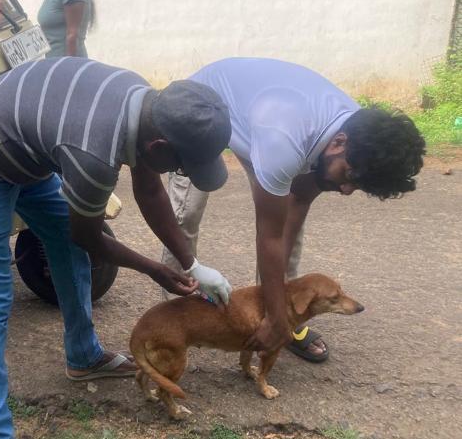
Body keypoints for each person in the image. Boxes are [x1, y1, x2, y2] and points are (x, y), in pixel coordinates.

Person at [0, 57, 234, 439]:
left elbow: (148, 189)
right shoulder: (94, 153)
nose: (180, 173)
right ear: (159, 147)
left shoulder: (146, 103)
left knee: (66, 247)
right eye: (182, 167)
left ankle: (84, 356)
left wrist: (193, 264)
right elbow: (88, 237)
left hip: (24, 153)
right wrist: (154, 269)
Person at [160, 57, 426, 362]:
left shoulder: (360, 134)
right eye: (348, 177)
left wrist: (278, 314)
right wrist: (275, 318)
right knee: (186, 215)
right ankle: (175, 317)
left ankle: (282, 315)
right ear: (338, 143)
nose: (346, 190)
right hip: (203, 109)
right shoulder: (283, 140)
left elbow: (298, 201)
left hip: (261, 120)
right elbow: (270, 236)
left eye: (358, 186)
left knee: (288, 223)